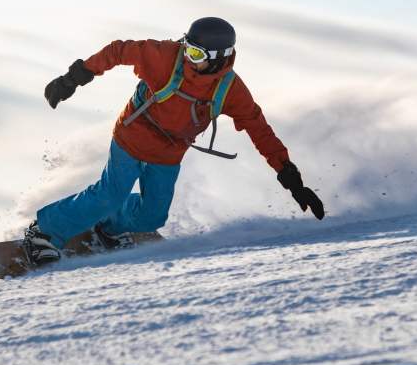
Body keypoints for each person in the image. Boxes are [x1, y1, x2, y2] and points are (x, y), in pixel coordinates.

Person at [20, 17, 324, 267]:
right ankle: (43, 232)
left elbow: (260, 130)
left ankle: (108, 228)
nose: (187, 57)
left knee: (154, 215)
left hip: (168, 152)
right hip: (133, 134)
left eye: (196, 55)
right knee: (110, 193)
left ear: (218, 59)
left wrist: (290, 176)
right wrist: (75, 77)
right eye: (187, 48)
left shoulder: (230, 89)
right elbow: (118, 51)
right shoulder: (165, 56)